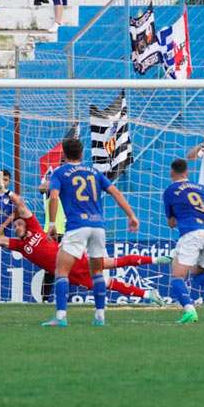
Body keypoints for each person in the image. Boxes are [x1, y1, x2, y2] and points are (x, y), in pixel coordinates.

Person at [0, 192, 166, 304]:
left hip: (75, 259)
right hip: (70, 273)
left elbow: (20, 205)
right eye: (15, 226)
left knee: (115, 262)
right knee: (108, 284)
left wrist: (6, 192)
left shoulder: (34, 227)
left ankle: (158, 259)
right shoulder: (20, 246)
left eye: (19, 224)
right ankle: (148, 295)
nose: (17, 227)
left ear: (26, 225)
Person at [41, 137, 139, 327]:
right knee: (97, 272)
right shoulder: (94, 172)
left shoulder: (60, 173)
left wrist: (52, 223)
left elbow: (53, 197)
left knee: (61, 271)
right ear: (82, 153)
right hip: (98, 226)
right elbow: (116, 193)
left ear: (64, 154)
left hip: (77, 226)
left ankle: (60, 317)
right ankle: (100, 316)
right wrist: (132, 216)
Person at [163, 158, 204, 324]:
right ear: (187, 172)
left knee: (177, 277)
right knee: (197, 273)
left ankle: (189, 310)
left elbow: (171, 223)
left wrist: (177, 218)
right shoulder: (201, 188)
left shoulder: (170, 191)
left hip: (192, 233)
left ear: (172, 172)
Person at [38, 163, 66, 302]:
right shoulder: (52, 185)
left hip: (68, 231)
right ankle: (44, 298)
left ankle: (65, 298)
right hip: (51, 232)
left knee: (69, 267)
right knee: (50, 268)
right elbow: (41, 187)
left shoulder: (68, 190)